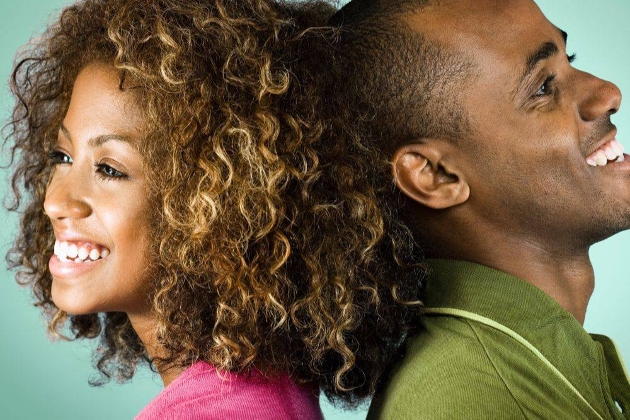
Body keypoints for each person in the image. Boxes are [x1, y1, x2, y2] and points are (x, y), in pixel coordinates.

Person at [4, 0, 425, 418]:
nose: (56, 201)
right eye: (62, 156)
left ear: (222, 204)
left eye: (110, 169)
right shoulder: (269, 392)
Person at [304, 0, 630, 418]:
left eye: (570, 58)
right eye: (543, 88)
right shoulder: (468, 404)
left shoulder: (529, 365)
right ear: (436, 176)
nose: (608, 93)